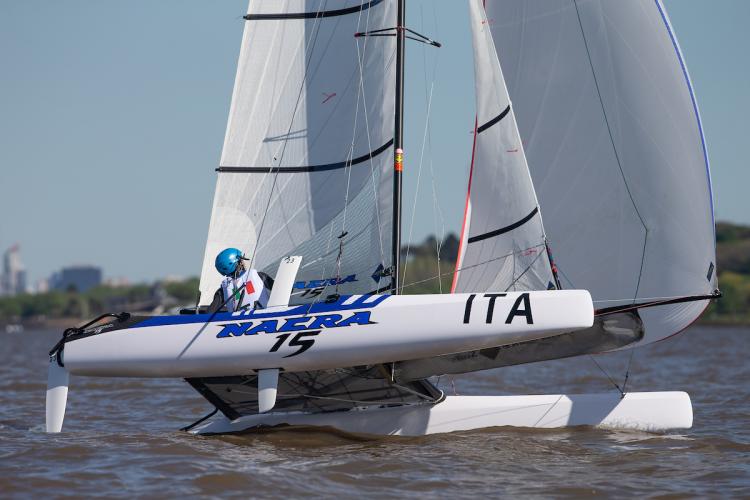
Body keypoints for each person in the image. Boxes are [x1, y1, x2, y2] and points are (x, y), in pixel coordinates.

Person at [208, 247, 274, 313]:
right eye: (241, 260)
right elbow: (278, 291)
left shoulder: (223, 289)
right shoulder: (260, 276)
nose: (243, 262)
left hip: (238, 319)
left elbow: (209, 312)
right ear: (238, 263)